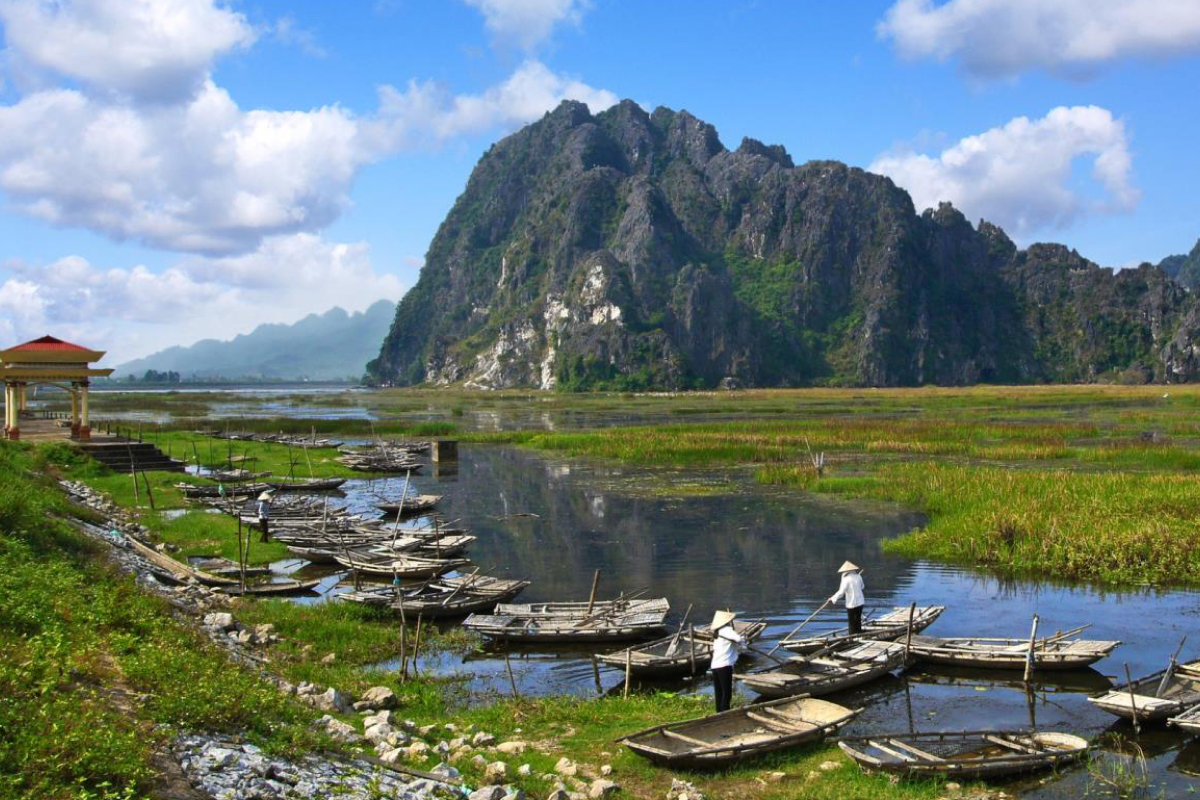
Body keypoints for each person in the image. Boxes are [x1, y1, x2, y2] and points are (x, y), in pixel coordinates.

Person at [709, 609, 746, 713]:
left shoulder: (717, 633)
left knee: (719, 691)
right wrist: (743, 641)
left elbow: (734, 642)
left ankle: (719, 711)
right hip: (724, 665)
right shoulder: (726, 630)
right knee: (727, 691)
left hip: (715, 665)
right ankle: (725, 712)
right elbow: (738, 639)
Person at [829, 561, 865, 634]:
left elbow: (841, 592)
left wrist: (832, 598)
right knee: (858, 620)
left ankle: (852, 636)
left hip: (851, 604)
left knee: (851, 621)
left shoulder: (846, 579)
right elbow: (862, 587)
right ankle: (859, 634)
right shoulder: (858, 576)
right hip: (860, 602)